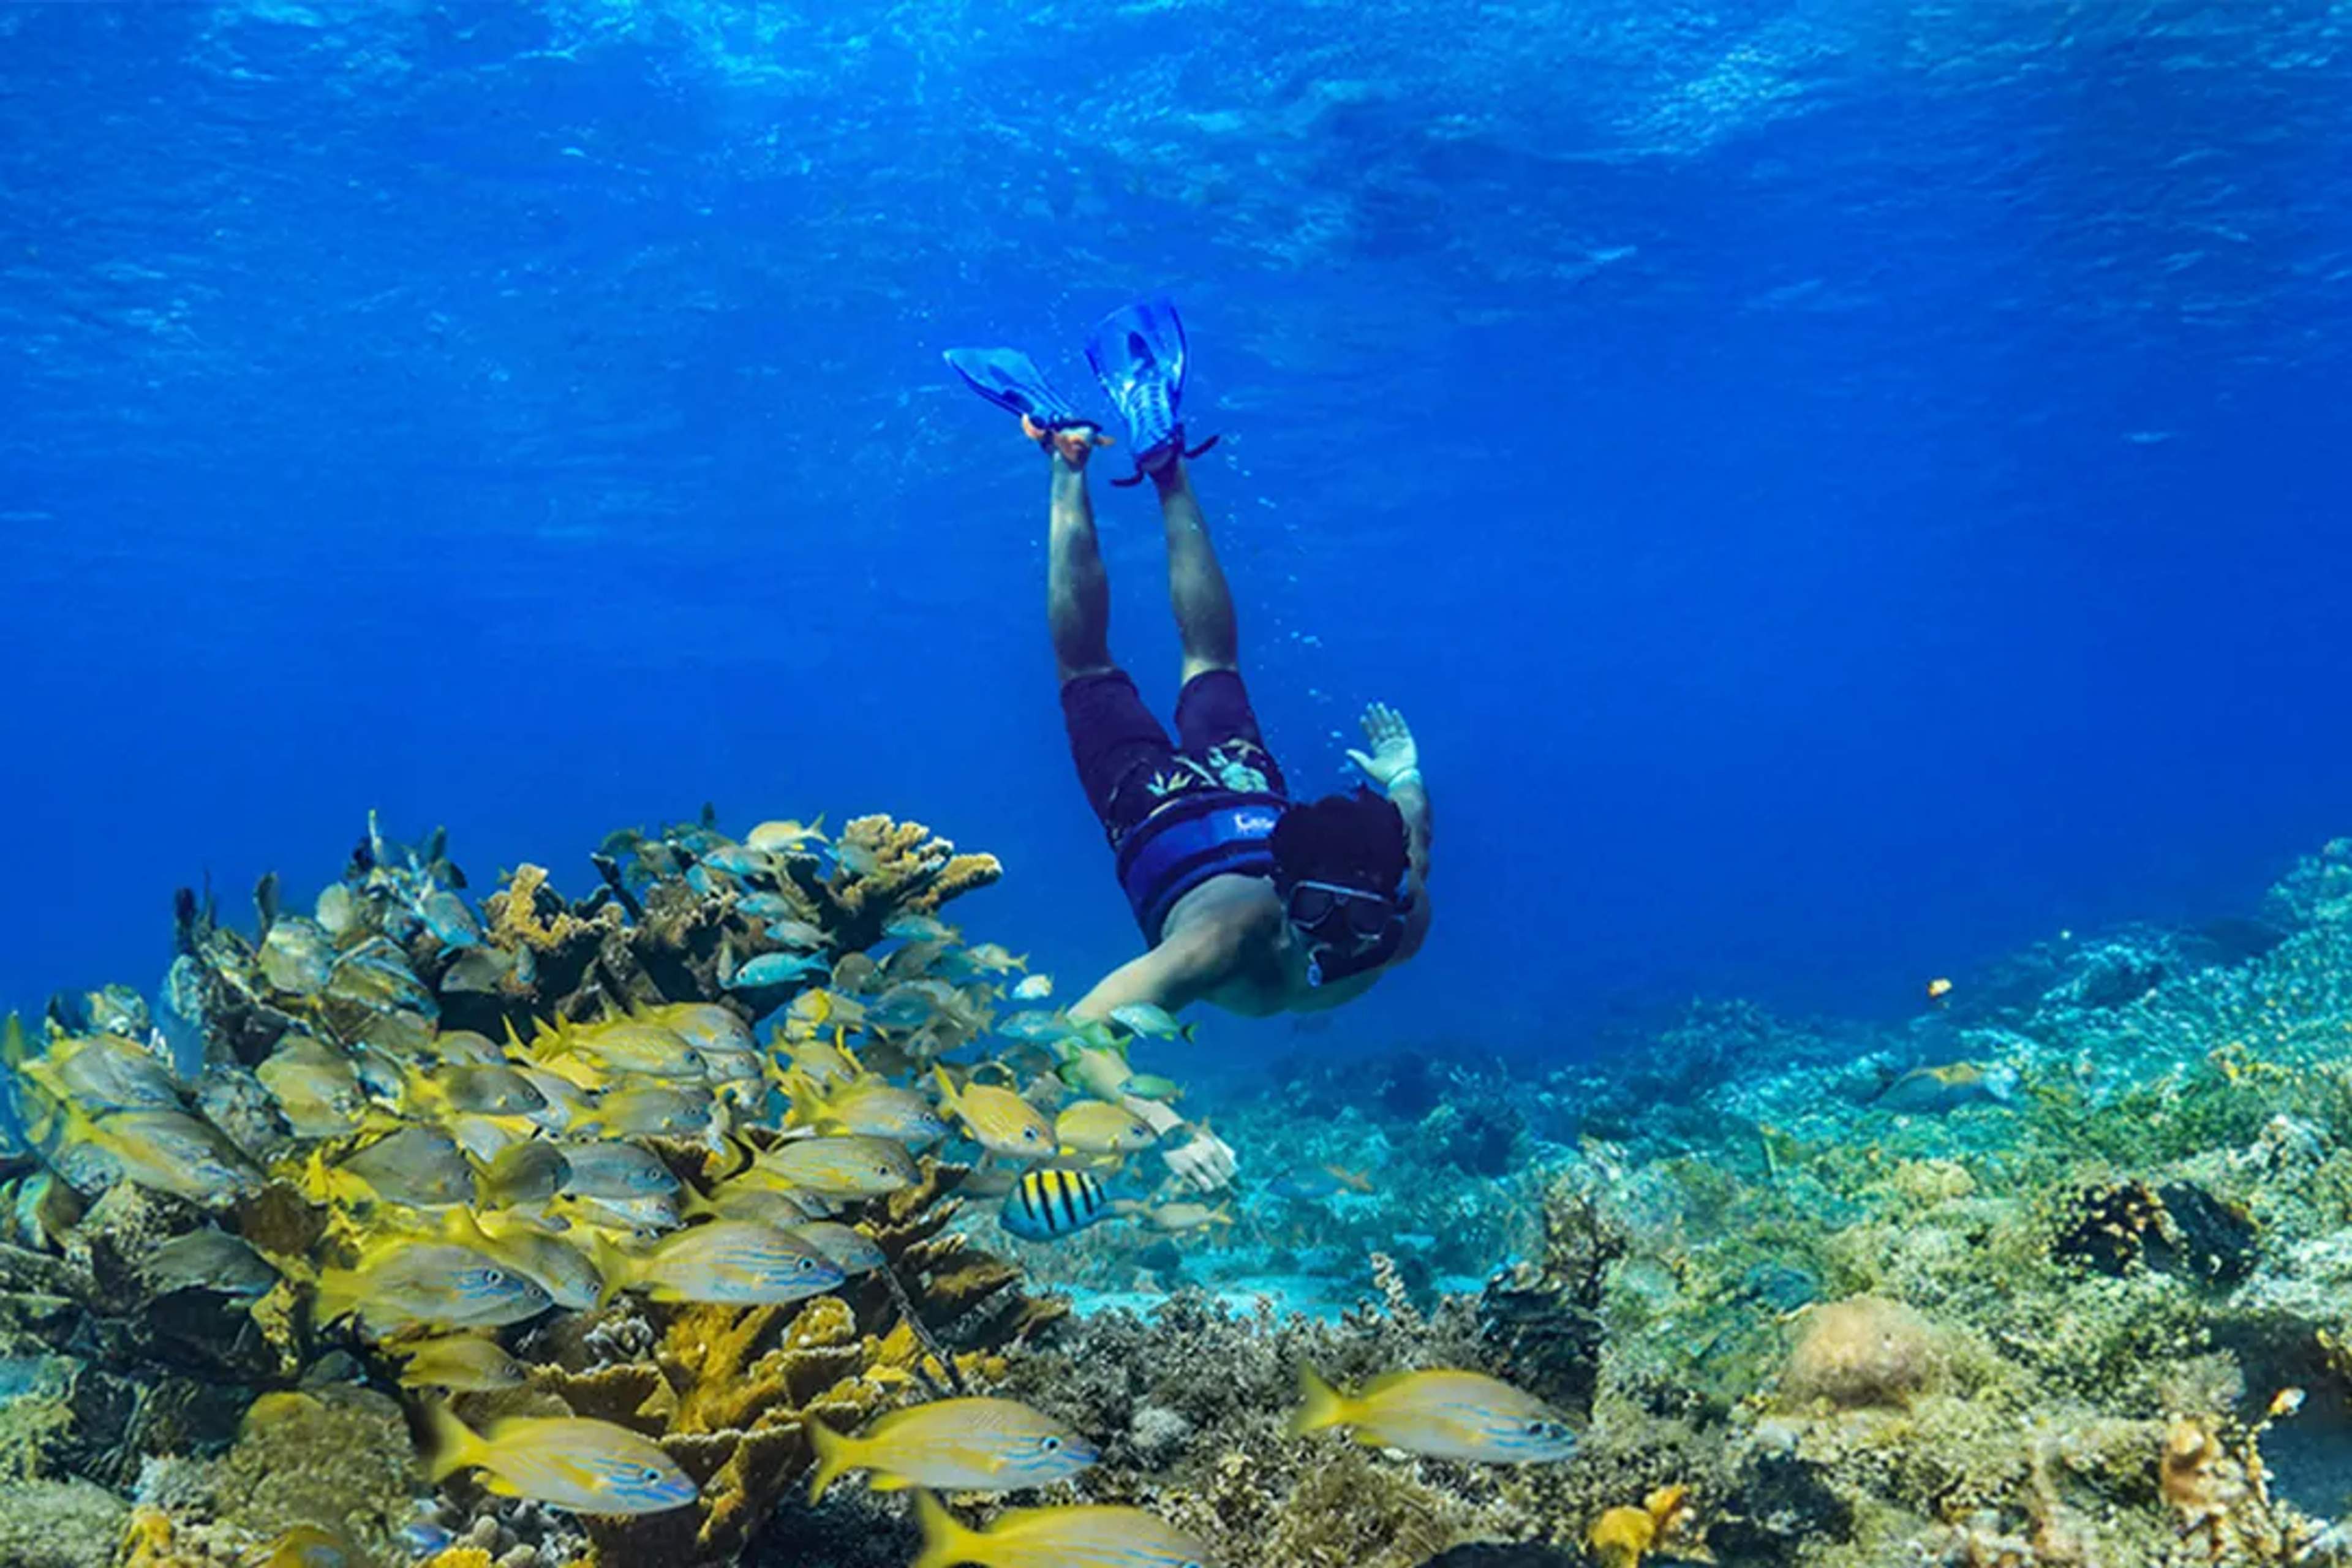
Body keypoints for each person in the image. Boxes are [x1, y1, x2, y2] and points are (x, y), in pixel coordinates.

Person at [946, 298, 1433, 1191]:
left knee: (1192, 658)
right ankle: (1081, 463)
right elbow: (1080, 1023)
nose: (1343, 942)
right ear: (1286, 897)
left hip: (1249, 797)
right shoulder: (1223, 946)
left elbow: (1413, 838)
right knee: (1091, 666)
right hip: (1158, 809)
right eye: (1327, 919)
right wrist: (1165, 1128)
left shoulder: (1401, 926)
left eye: (1366, 920)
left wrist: (1406, 780)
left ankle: (1134, 466)